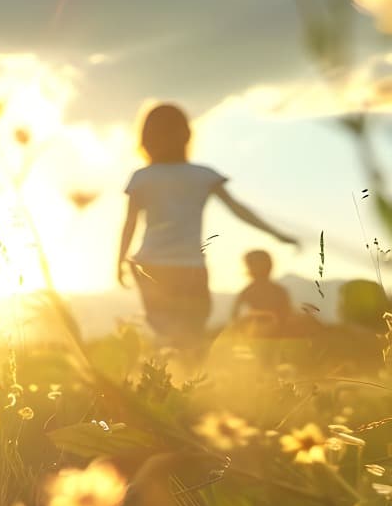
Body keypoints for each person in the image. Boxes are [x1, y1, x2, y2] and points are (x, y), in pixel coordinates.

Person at [116, 103, 298, 359]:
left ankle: (167, 382)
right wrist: (277, 233)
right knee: (192, 330)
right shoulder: (201, 175)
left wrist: (120, 260)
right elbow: (239, 210)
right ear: (187, 134)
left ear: (146, 139)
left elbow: (130, 222)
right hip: (189, 266)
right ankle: (185, 382)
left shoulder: (143, 176)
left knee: (167, 328)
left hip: (150, 265)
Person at [230, 249, 294, 337]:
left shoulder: (249, 290)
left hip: (270, 334)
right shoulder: (278, 290)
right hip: (261, 334)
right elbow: (234, 315)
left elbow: (234, 315)